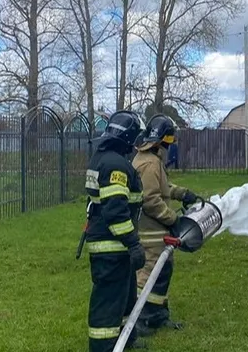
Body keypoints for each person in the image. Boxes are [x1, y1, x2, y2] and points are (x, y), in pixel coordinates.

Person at [82, 110, 148, 351]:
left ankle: (125, 339)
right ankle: (103, 346)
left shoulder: (102, 158)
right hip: (113, 247)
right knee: (109, 300)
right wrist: (133, 243)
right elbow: (115, 212)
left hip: (113, 246)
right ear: (129, 138)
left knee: (124, 297)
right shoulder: (116, 166)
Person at [132, 114, 198, 334]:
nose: (169, 148)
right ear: (159, 141)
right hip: (151, 233)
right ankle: (139, 320)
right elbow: (150, 200)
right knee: (147, 275)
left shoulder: (150, 161)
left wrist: (182, 193)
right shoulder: (150, 164)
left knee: (163, 272)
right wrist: (173, 218)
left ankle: (158, 316)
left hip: (158, 232)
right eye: (167, 143)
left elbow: (162, 187)